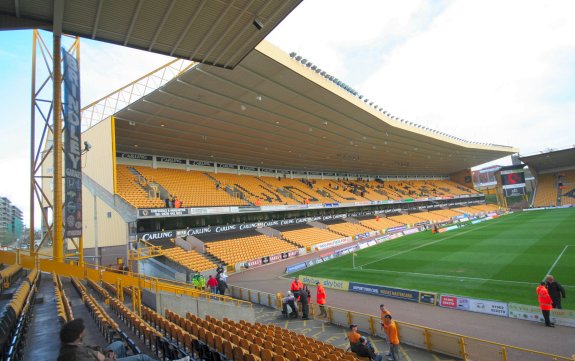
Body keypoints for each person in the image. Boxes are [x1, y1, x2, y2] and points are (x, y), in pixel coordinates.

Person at [57, 318, 189, 361]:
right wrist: (107, 357)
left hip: (102, 356)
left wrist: (103, 352)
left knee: (119, 344)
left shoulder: (70, 346)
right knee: (142, 357)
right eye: (82, 330)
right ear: (79, 334)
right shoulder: (78, 355)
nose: (84, 331)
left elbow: (92, 350)